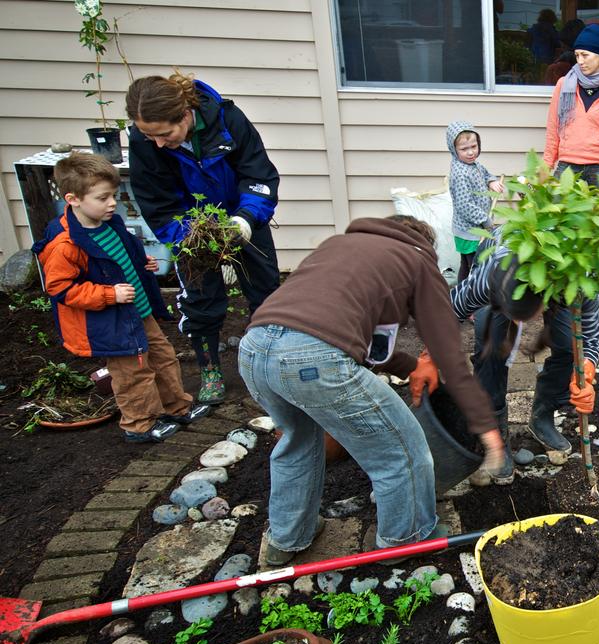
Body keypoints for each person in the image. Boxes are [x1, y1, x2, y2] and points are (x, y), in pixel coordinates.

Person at [237, 215, 505, 565]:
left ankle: (286, 539)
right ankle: (406, 539)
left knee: (297, 442)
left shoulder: (337, 247)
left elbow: (364, 342)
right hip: (316, 359)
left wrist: (412, 368)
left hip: (254, 349)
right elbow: (450, 357)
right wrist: (487, 427)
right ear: (425, 243)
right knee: (402, 450)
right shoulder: (418, 259)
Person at [126, 72, 282, 405]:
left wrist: (245, 219)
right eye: (147, 134)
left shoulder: (228, 120)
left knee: (266, 293)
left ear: (185, 115)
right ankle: (210, 368)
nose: (156, 142)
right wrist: (188, 236)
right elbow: (156, 203)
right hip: (191, 230)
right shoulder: (145, 142)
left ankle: (270, 367)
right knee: (202, 301)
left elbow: (259, 175)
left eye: (164, 134)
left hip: (243, 218)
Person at [35, 152, 211, 443]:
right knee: (133, 372)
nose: (112, 203)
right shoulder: (65, 245)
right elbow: (61, 289)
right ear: (73, 199)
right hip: (114, 321)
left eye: (113, 195)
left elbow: (123, 255)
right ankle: (139, 424)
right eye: (102, 198)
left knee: (163, 358)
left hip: (139, 311)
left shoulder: (109, 224)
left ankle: (176, 407)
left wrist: (143, 264)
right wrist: (108, 294)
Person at [418, 243, 599, 482]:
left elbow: (589, 335)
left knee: (569, 345)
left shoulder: (580, 277)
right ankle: (496, 431)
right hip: (498, 274)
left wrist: (586, 373)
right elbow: (450, 311)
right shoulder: (488, 277)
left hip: (559, 279)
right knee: (491, 348)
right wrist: (428, 356)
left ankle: (542, 417)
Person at [544, 24, 599, 189]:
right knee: (560, 214)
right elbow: (553, 128)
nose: (580, 61)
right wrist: (546, 167)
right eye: (577, 55)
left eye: (585, 55)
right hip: (568, 166)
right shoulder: (564, 85)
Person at [447, 121, 504, 283]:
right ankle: (473, 300)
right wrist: (485, 221)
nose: (471, 152)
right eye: (464, 149)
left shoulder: (474, 165)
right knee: (475, 267)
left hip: (474, 228)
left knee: (467, 266)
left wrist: (492, 181)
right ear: (454, 150)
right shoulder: (460, 174)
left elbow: (485, 174)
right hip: (469, 231)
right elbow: (465, 206)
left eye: (474, 146)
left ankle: (461, 297)